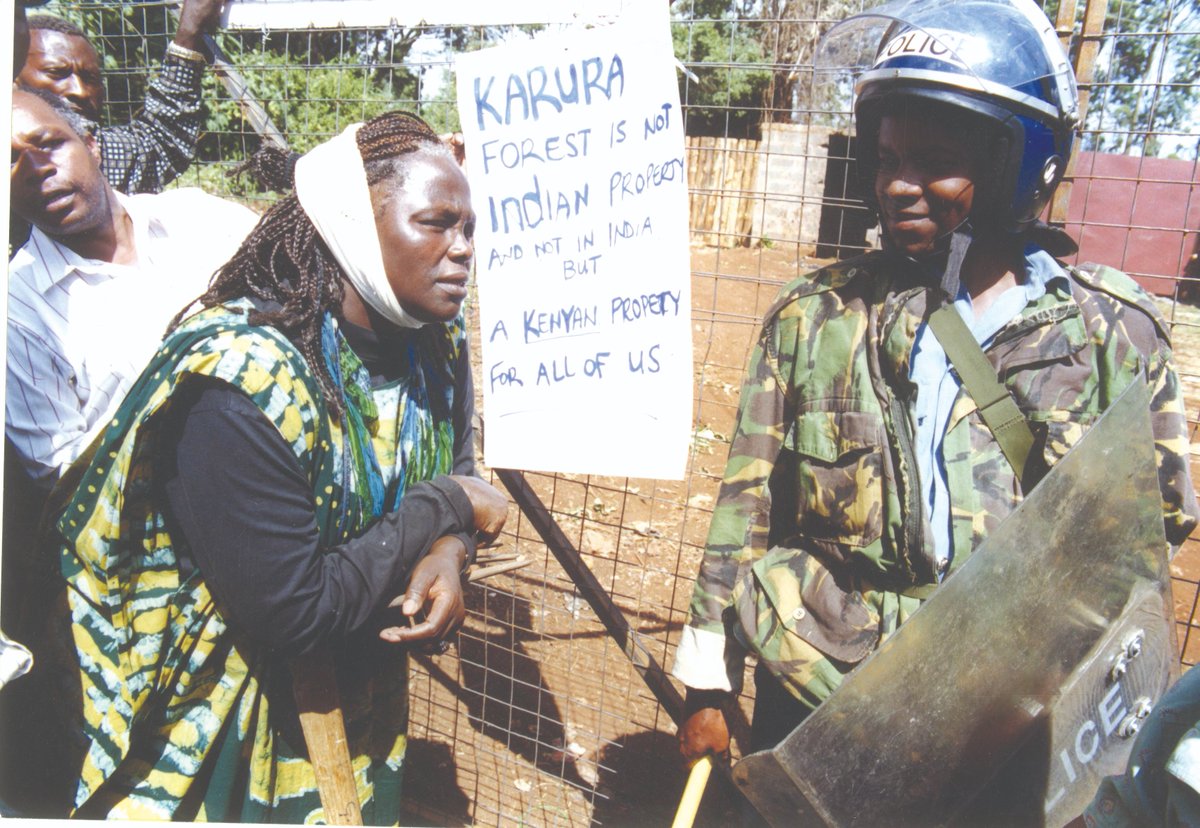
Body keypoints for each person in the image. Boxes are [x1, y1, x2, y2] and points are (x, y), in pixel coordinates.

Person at [673, 0, 1199, 772]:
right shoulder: (817, 317)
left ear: (1016, 164)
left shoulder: (1110, 334)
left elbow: (1149, 536)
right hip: (824, 688)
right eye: (888, 159)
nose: (899, 185)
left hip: (1004, 721)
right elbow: (745, 507)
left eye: (934, 161)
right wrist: (707, 683)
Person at [42, 109, 507, 821]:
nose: (463, 248)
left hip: (356, 704)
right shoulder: (238, 382)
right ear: (355, 226)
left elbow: (459, 465)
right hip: (218, 719)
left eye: (469, 227)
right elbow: (298, 612)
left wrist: (449, 551)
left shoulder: (432, 345)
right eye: (436, 222)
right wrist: (445, 508)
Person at [7, 87, 259, 487]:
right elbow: (58, 469)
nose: (37, 168)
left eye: (50, 144)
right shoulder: (18, 310)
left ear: (92, 146)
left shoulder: (196, 216)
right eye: (10, 160)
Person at [17, 0, 223, 196]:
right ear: (14, 76)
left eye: (91, 78)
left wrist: (189, 33)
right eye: (56, 73)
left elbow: (160, 142)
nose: (79, 91)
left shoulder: (97, 152)